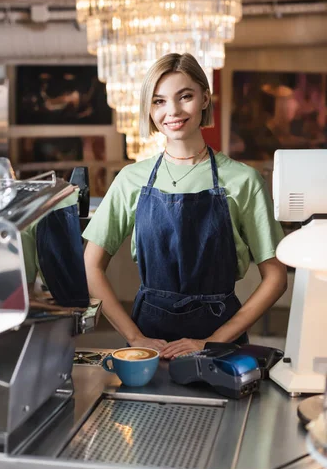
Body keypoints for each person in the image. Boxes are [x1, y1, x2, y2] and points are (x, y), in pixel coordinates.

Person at [83, 53, 287, 359]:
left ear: (205, 98)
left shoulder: (244, 180)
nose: (173, 111)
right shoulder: (130, 179)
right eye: (159, 101)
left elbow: (276, 278)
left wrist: (213, 341)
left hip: (220, 342)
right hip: (149, 345)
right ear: (149, 109)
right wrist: (135, 336)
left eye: (185, 96)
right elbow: (91, 266)